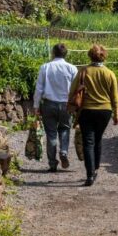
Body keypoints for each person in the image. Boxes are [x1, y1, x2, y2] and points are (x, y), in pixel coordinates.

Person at [69, 44, 118, 186]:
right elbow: (114, 96)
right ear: (104, 56)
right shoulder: (110, 73)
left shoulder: (83, 71)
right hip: (105, 111)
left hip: (86, 110)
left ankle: (90, 174)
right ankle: (96, 168)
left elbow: (73, 90)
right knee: (98, 139)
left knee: (88, 141)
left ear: (90, 55)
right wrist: (116, 114)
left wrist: (71, 107)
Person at [33, 43, 78, 172]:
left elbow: (39, 88)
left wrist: (36, 106)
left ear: (53, 53)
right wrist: (76, 107)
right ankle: (63, 151)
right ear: (66, 54)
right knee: (64, 129)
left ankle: (52, 164)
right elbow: (76, 90)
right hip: (66, 104)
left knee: (51, 133)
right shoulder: (72, 68)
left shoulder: (45, 67)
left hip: (48, 104)